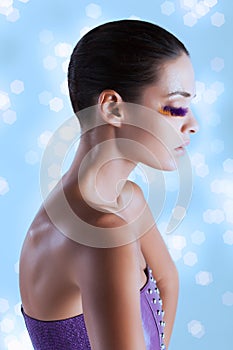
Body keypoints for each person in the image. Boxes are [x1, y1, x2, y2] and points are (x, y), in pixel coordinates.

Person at [19, 19, 199, 350]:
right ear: (113, 108)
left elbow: (167, 279)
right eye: (176, 107)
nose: (193, 124)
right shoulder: (101, 235)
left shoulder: (126, 201)